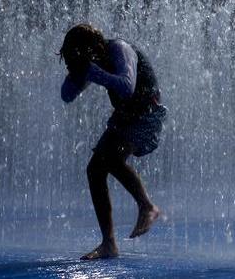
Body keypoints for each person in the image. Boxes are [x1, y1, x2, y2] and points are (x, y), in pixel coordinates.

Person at [59, 24, 166, 260]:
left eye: (75, 57)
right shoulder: (92, 63)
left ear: (91, 49)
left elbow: (127, 87)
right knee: (95, 169)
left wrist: (93, 72)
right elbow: (66, 95)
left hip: (147, 114)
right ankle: (109, 244)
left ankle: (147, 206)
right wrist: (77, 74)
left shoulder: (119, 49)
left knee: (110, 159)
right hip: (125, 118)